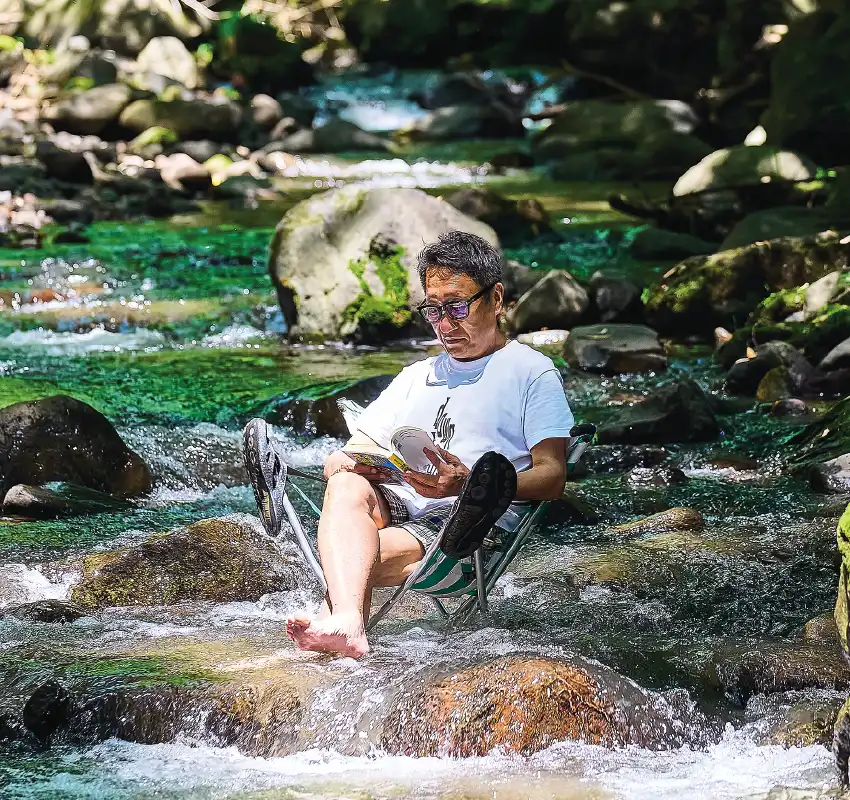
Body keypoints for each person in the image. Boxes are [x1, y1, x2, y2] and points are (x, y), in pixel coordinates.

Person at [244, 230, 575, 658]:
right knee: (344, 485)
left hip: (463, 523)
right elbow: (349, 453)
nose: (445, 323)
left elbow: (552, 476)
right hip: (401, 498)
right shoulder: (416, 377)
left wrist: (464, 482)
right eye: (433, 310)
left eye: (457, 306)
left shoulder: (531, 372)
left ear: (496, 300)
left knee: (351, 554)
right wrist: (352, 464)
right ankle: (348, 623)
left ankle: (343, 620)